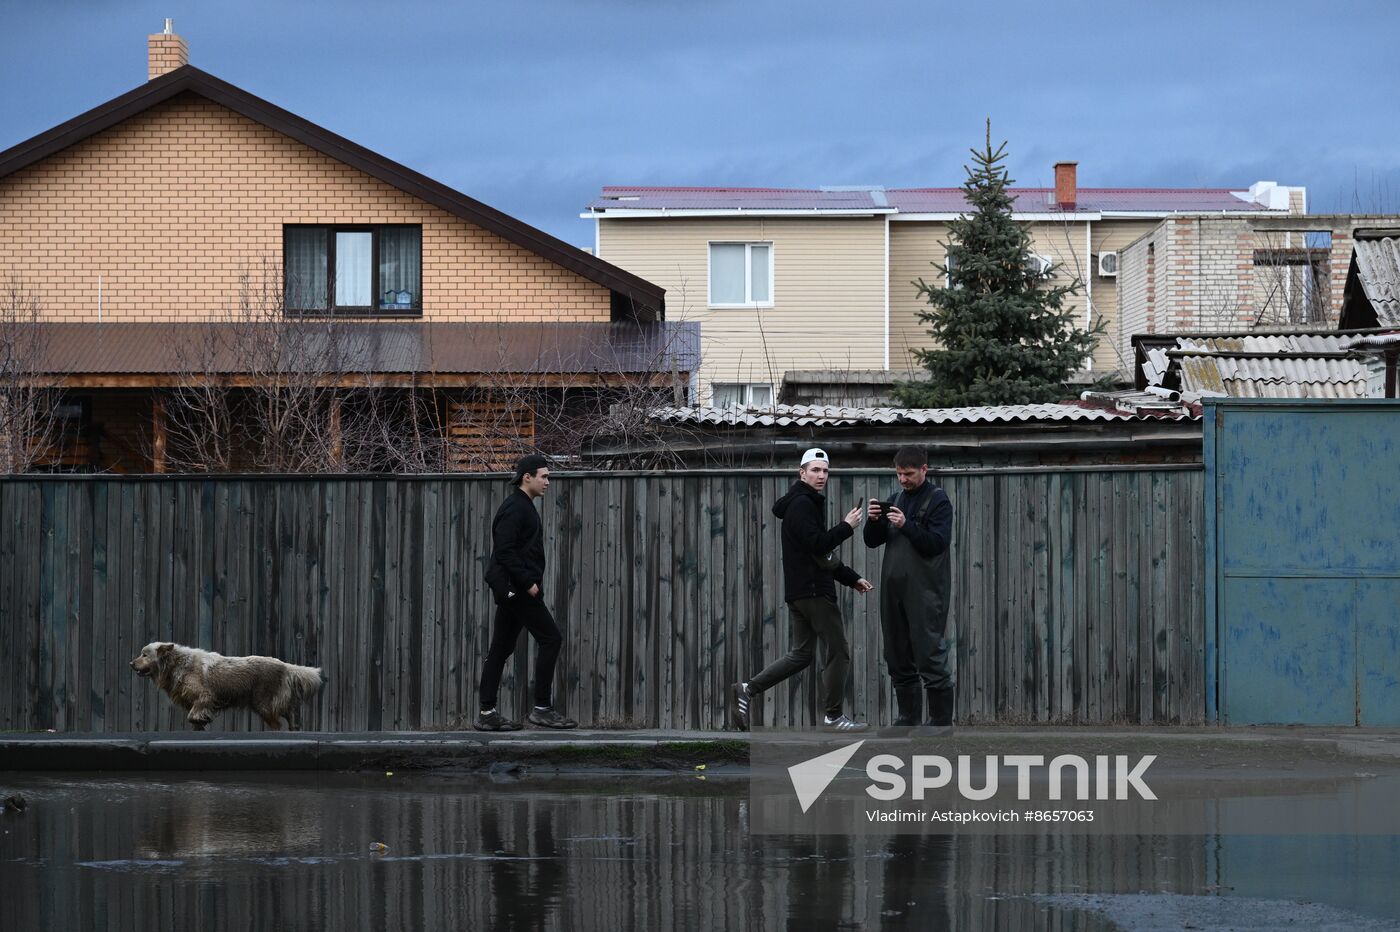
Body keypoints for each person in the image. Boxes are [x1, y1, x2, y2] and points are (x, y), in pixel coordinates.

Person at [729, 448, 874, 733]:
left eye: (825, 471)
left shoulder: (803, 503)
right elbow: (820, 545)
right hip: (813, 591)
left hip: (801, 591)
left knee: (802, 654)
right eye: (815, 470)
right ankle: (833, 716)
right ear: (802, 473)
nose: (821, 476)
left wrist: (851, 578)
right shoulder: (802, 504)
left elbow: (821, 554)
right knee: (839, 650)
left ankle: (747, 689)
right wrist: (847, 526)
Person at [476, 454, 576, 731]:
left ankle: (487, 714)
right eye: (544, 476)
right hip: (517, 590)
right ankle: (542, 709)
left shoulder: (523, 506)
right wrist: (527, 582)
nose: (548, 481)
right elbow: (504, 551)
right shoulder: (515, 508)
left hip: (514, 589)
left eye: (548, 476)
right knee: (551, 638)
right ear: (526, 477)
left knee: (501, 648)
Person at [863, 446, 955, 727]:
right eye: (899, 473)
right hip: (893, 591)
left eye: (909, 474)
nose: (903, 479)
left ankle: (940, 723)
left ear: (924, 470)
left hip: (926, 591)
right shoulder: (896, 499)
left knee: (929, 653)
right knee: (896, 653)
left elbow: (937, 543)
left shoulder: (938, 501)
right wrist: (874, 521)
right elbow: (872, 541)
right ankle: (907, 719)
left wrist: (907, 525)